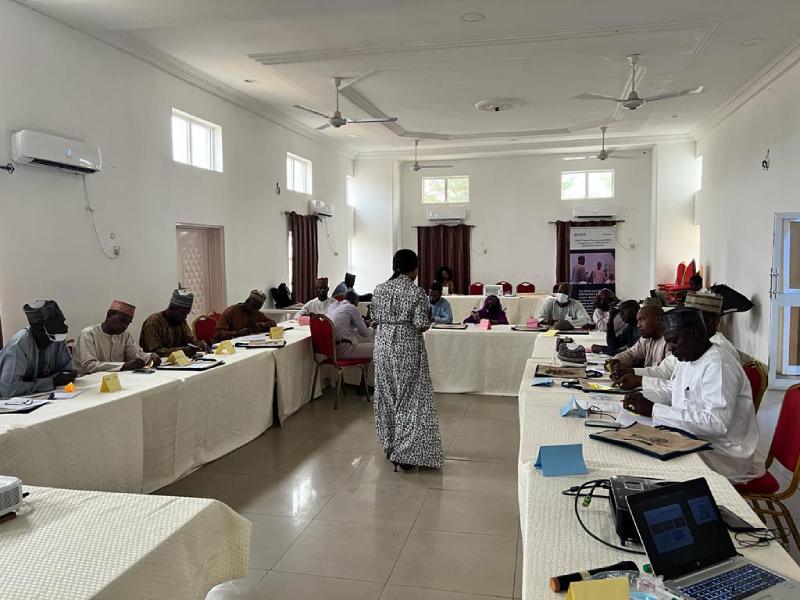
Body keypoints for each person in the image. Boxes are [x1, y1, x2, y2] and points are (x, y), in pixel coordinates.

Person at [623, 308, 763, 484]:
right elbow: (674, 391)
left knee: (648, 464)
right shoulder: (690, 358)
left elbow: (715, 423)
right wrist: (641, 397)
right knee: (633, 444)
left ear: (694, 333)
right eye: (668, 343)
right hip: (695, 440)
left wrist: (654, 410)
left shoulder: (718, 364)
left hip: (722, 454)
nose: (671, 349)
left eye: (674, 341)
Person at [372, 249, 443, 471]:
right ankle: (405, 453)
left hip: (382, 345)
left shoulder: (379, 289)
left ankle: (390, 444)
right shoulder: (416, 292)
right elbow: (421, 323)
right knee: (409, 397)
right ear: (413, 269)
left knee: (386, 395)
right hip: (406, 346)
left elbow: (373, 319)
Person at [625, 291, 735, 399]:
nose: (680, 321)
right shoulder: (690, 346)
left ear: (708, 321)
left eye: (687, 317)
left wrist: (653, 409)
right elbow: (666, 374)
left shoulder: (718, 355)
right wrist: (633, 374)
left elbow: (712, 415)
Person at [0, 300, 76, 398]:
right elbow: (8, 390)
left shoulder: (57, 339)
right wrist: (50, 382)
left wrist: (66, 376)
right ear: (39, 329)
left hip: (45, 398)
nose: (65, 326)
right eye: (58, 324)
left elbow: (68, 371)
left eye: (63, 321)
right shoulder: (19, 345)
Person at [73, 300, 160, 375]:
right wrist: (123, 366)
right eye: (122, 320)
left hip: (117, 381)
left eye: (128, 323)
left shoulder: (125, 336)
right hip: (90, 384)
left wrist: (151, 357)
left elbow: (136, 356)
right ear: (109, 315)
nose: (125, 326)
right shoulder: (88, 334)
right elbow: (88, 366)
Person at [608, 304, 669, 386]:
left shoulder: (671, 341)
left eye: (642, 320)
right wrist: (617, 361)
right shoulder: (646, 339)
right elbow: (631, 353)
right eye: (638, 321)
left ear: (658, 319)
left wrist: (634, 373)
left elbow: (665, 372)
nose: (638, 325)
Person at [139, 289, 210, 357]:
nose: (184, 317)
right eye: (182, 313)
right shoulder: (154, 322)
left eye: (186, 314)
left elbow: (191, 340)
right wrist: (182, 351)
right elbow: (155, 351)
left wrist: (200, 344)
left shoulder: (180, 321)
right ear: (172, 308)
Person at [325, 290, 374, 360]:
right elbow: (365, 333)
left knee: (364, 342)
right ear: (354, 301)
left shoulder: (332, 307)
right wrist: (372, 327)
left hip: (329, 351)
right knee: (378, 349)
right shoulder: (351, 307)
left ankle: (364, 371)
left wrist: (363, 322)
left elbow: (342, 323)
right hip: (342, 350)